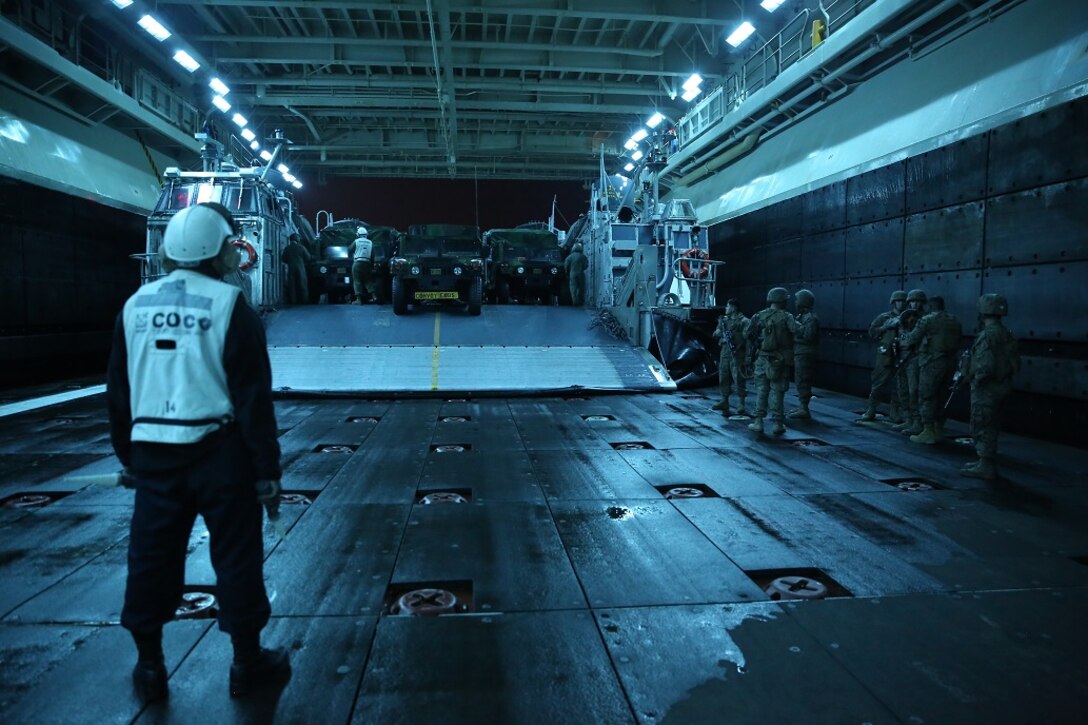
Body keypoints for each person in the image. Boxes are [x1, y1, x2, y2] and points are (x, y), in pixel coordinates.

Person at [106, 202, 290, 702]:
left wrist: (129, 458)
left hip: (153, 455)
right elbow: (253, 399)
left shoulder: (134, 306)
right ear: (224, 254)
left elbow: (119, 393)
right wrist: (267, 472)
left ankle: (149, 665)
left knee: (150, 557)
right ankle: (247, 663)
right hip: (220, 453)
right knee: (236, 555)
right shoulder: (233, 308)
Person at [960, 293, 1020, 479]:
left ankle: (986, 464)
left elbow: (985, 365)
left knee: (982, 423)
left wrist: (974, 379)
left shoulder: (987, 336)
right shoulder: (1005, 333)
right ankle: (984, 461)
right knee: (992, 423)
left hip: (986, 389)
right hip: (1001, 386)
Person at [904, 295, 962, 444]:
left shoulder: (927, 320)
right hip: (950, 362)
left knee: (926, 396)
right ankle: (938, 429)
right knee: (941, 396)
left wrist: (904, 337)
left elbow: (911, 339)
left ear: (930, 307)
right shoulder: (954, 320)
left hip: (932, 362)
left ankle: (928, 431)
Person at [747, 287, 794, 436]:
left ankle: (758, 422)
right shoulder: (787, 317)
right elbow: (798, 332)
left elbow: (748, 334)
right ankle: (777, 424)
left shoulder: (758, 316)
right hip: (779, 359)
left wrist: (753, 352)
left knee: (762, 390)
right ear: (782, 300)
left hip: (762, 358)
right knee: (777, 391)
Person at [856, 290, 908, 423]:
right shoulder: (884, 317)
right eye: (898, 301)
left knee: (899, 386)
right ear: (893, 302)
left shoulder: (909, 317)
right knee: (878, 383)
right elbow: (872, 332)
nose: (900, 303)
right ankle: (871, 409)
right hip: (885, 354)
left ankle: (895, 412)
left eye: (903, 301)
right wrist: (885, 327)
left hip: (902, 355)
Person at [711, 298, 749, 416]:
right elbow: (716, 332)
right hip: (725, 352)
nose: (726, 309)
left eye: (728, 306)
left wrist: (748, 356)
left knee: (738, 378)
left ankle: (741, 403)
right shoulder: (724, 321)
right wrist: (718, 333)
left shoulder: (744, 321)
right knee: (723, 376)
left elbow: (748, 338)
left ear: (734, 308)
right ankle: (724, 400)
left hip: (738, 354)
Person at [786, 289, 820, 419]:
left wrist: (792, 337)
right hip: (800, 353)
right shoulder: (802, 317)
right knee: (799, 380)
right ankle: (802, 406)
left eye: (797, 300)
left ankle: (804, 408)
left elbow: (808, 337)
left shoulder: (811, 319)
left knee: (803, 380)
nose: (795, 303)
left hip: (805, 354)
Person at [892, 307, 922, 436]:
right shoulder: (900, 324)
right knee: (902, 390)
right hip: (901, 360)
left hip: (914, 360)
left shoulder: (923, 322)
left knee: (913, 391)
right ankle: (908, 419)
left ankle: (917, 422)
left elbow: (910, 342)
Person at [281, 233, 311, 305]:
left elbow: (283, 259)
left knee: (292, 285)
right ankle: (304, 301)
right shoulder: (301, 247)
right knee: (302, 285)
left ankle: (293, 301)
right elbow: (308, 257)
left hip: (291, 268)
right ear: (296, 239)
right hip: (300, 268)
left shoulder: (287, 248)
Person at [349, 226, 373, 304]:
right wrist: (372, 265)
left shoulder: (357, 241)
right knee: (368, 281)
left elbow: (350, 249)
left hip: (357, 263)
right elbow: (373, 256)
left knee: (357, 281)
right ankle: (374, 296)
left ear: (358, 234)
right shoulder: (370, 242)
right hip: (367, 263)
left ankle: (358, 300)